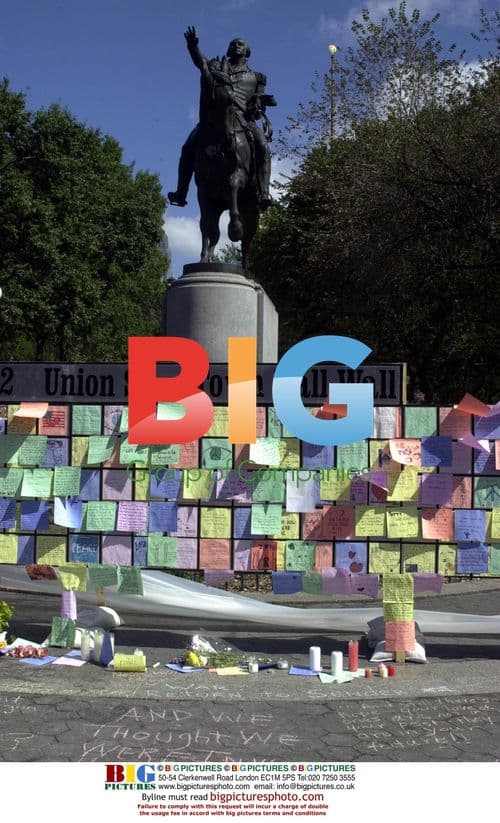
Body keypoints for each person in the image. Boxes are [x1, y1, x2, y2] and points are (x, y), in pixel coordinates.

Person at [168, 27, 275, 210]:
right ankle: (181, 192)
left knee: (263, 146)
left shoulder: (256, 77)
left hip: (243, 119)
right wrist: (193, 48)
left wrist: (258, 107)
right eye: (233, 44)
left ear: (247, 51)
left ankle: (264, 192)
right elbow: (200, 62)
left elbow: (258, 100)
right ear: (228, 50)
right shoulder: (216, 67)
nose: (236, 46)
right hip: (213, 118)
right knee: (188, 148)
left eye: (240, 44)